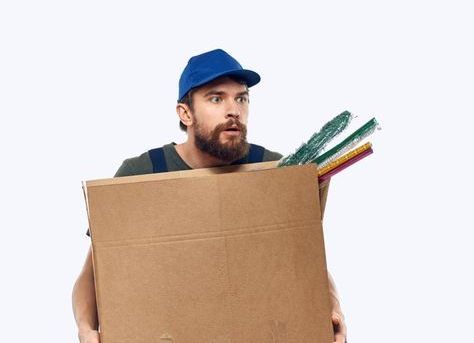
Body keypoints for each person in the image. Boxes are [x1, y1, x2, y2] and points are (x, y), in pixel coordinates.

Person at [72, 49, 347, 343]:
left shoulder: (275, 171)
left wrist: (334, 311)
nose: (234, 110)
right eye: (216, 98)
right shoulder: (142, 172)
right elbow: (95, 272)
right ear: (185, 113)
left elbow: (306, 264)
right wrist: (86, 329)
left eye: (241, 98)